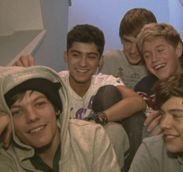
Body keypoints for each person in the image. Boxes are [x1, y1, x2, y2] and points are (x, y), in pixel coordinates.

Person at [2, 24, 147, 170]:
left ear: (100, 61)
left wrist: (98, 118)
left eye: (91, 57)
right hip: (69, 155)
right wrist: (15, 78)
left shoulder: (104, 81)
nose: (83, 63)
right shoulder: (55, 84)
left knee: (114, 122)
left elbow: (137, 101)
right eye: (76, 55)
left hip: (100, 149)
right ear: (66, 56)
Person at [0, 65, 120, 172]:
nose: (32, 117)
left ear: (56, 108)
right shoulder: (7, 158)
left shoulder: (91, 137)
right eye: (17, 112)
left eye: (40, 104)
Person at [100, 8, 157, 88]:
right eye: (128, 41)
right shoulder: (108, 60)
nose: (133, 50)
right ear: (121, 39)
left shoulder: (156, 65)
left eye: (138, 43)